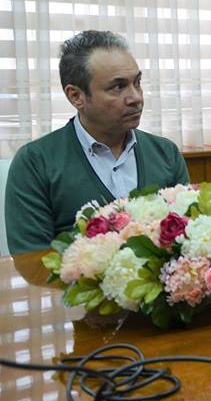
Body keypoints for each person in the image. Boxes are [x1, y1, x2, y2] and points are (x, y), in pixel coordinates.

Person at [5, 30, 189, 254]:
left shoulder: (166, 153)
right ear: (76, 96)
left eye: (137, 83)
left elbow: (187, 242)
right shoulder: (35, 163)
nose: (136, 97)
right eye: (118, 87)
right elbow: (31, 259)